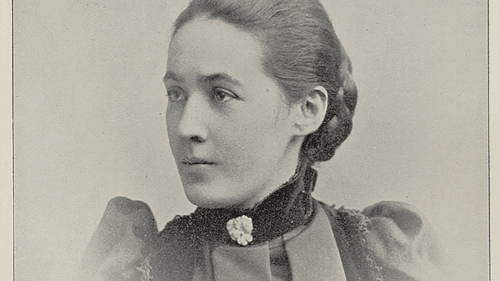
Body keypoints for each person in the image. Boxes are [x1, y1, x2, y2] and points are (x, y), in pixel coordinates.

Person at [81, 0, 449, 280]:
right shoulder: (140, 266)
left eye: (221, 94)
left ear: (307, 109)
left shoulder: (381, 256)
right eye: (176, 94)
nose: (185, 127)